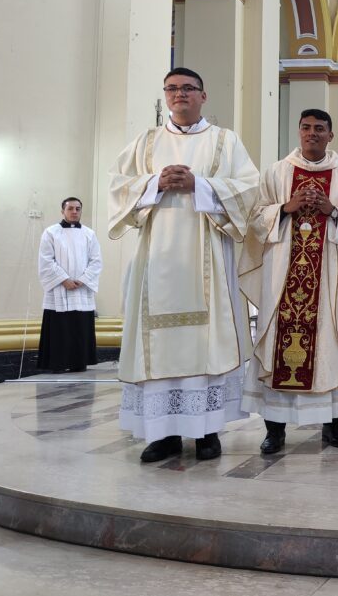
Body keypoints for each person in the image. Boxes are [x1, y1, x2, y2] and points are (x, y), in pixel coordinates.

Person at [109, 67, 259, 462]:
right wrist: (153, 183)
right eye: (172, 89)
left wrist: (202, 186)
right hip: (157, 260)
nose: (180, 95)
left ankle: (207, 430)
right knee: (157, 345)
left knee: (206, 343)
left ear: (203, 96)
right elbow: (117, 185)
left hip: (207, 255)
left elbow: (249, 188)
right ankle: (163, 434)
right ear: (165, 96)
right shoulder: (147, 142)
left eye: (188, 88)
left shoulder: (225, 142)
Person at [239, 109, 338, 454]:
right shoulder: (277, 173)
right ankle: (274, 430)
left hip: (328, 280)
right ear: (298, 131)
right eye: (306, 127)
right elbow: (254, 221)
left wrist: (332, 210)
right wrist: (285, 207)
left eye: (319, 129)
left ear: (331, 135)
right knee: (275, 345)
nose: (312, 134)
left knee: (330, 343)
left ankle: (333, 426)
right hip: (282, 276)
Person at [37, 197, 102, 373]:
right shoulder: (51, 232)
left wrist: (82, 279)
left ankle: (78, 363)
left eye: (78, 209)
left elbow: (96, 261)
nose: (74, 212)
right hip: (59, 288)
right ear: (62, 211)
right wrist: (63, 279)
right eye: (70, 208)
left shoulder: (89, 234)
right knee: (60, 328)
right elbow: (46, 260)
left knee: (80, 328)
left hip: (81, 290)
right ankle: (57, 363)